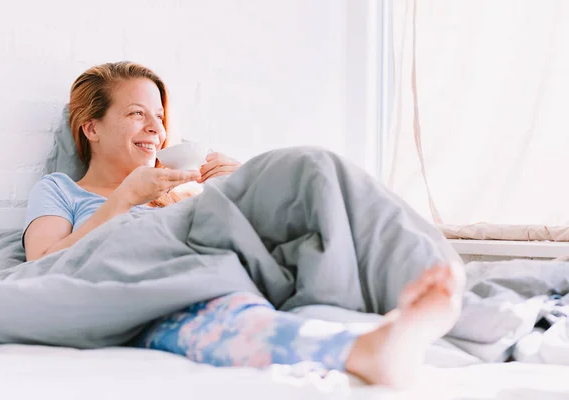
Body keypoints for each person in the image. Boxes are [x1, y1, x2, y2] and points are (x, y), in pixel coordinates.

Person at [23, 61, 464, 389]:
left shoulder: (183, 189)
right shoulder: (61, 190)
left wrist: (243, 184)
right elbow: (40, 264)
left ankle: (424, 284)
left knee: (311, 179)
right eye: (137, 114)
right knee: (211, 316)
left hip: (225, 268)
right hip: (156, 286)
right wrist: (124, 199)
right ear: (91, 128)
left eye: (159, 116)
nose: (156, 128)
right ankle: (361, 350)